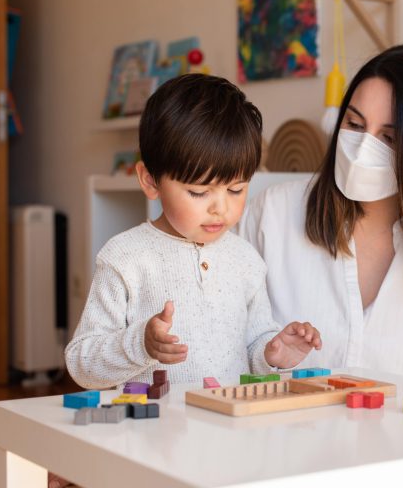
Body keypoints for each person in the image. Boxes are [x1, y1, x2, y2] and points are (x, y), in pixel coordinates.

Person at [239, 44, 403, 392]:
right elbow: (219, 346)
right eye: (355, 124)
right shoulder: (272, 214)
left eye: (388, 137)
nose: (362, 150)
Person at [65, 74, 322, 390]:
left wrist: (274, 352)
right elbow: (81, 364)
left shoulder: (245, 259)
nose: (220, 208)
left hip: (229, 429)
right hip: (153, 434)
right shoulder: (125, 258)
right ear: (150, 181)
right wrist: (140, 345)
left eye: (236, 189)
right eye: (199, 192)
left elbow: (252, 347)